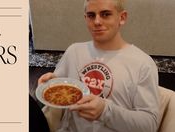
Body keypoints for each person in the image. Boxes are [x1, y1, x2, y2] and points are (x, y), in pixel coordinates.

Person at [38, 0, 159, 132]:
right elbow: (59, 88)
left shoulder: (143, 63)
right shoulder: (74, 51)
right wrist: (50, 82)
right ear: (85, 18)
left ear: (122, 18)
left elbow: (149, 125)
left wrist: (105, 111)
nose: (96, 22)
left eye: (105, 14)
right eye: (91, 15)